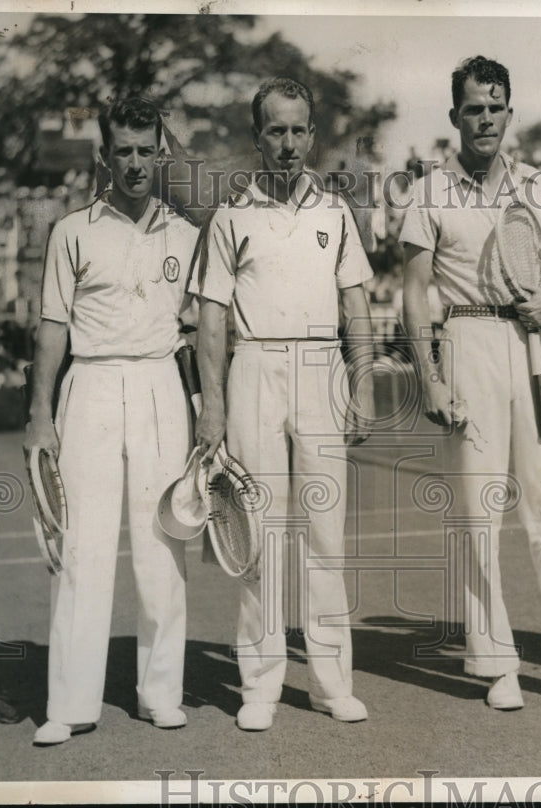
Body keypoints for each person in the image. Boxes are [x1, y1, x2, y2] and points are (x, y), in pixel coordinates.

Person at [400, 55, 541, 711]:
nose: (485, 119)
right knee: (478, 513)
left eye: (495, 108)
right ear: (454, 117)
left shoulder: (538, 186)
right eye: (473, 108)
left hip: (535, 348)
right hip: (468, 342)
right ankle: (496, 662)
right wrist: (432, 380)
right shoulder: (427, 193)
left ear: (509, 113)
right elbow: (415, 296)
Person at [189, 77, 375, 732]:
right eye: (276, 130)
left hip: (322, 368)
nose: (289, 143)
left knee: (325, 534)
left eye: (299, 130)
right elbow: (210, 320)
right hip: (255, 369)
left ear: (313, 135)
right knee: (260, 533)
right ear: (257, 136)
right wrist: (211, 406)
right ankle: (260, 686)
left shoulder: (336, 213)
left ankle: (331, 685)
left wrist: (364, 382)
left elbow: (356, 305)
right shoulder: (231, 217)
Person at [24, 97, 201, 745]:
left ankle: (161, 693)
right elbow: (52, 328)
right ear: (104, 156)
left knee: (162, 546)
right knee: (83, 547)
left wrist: (210, 414)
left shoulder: (188, 235)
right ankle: (69, 704)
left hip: (159, 385)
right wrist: (39, 415)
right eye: (121, 150)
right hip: (91, 386)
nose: (133, 162)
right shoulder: (72, 231)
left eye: (144, 149)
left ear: (160, 152)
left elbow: (200, 335)